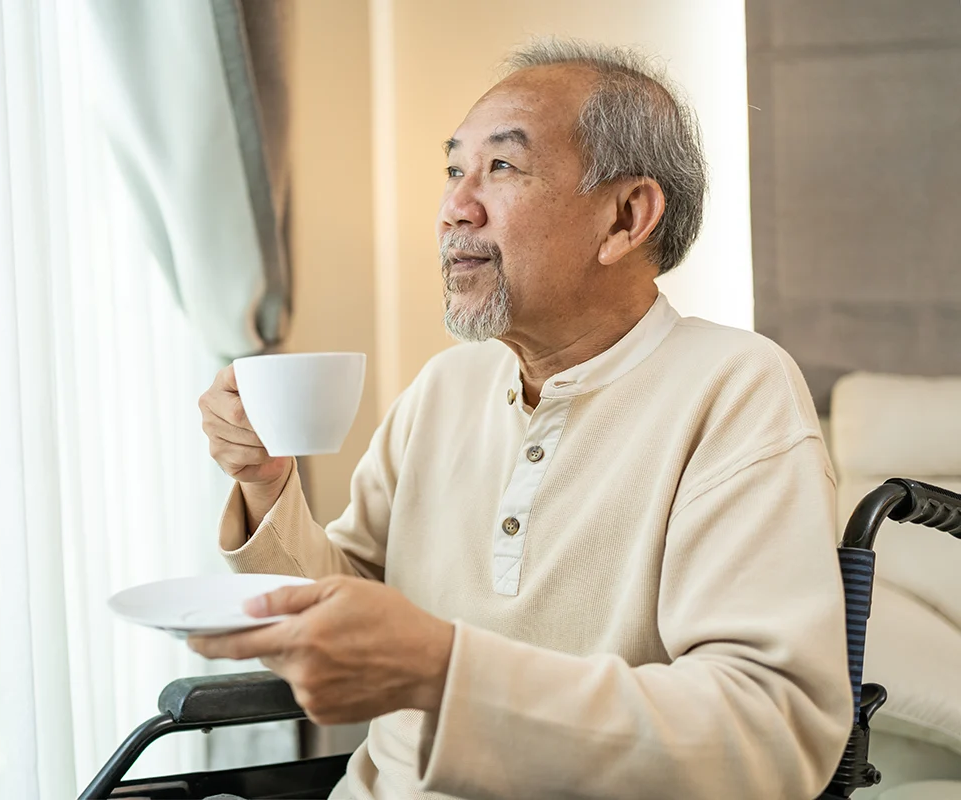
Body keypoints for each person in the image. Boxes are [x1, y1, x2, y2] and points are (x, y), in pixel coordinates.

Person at [191, 37, 853, 800]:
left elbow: (765, 734)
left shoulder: (735, 390)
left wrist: (444, 671)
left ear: (625, 217)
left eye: (501, 167)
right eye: (452, 170)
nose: (452, 209)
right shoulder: (443, 388)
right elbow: (344, 604)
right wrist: (268, 486)